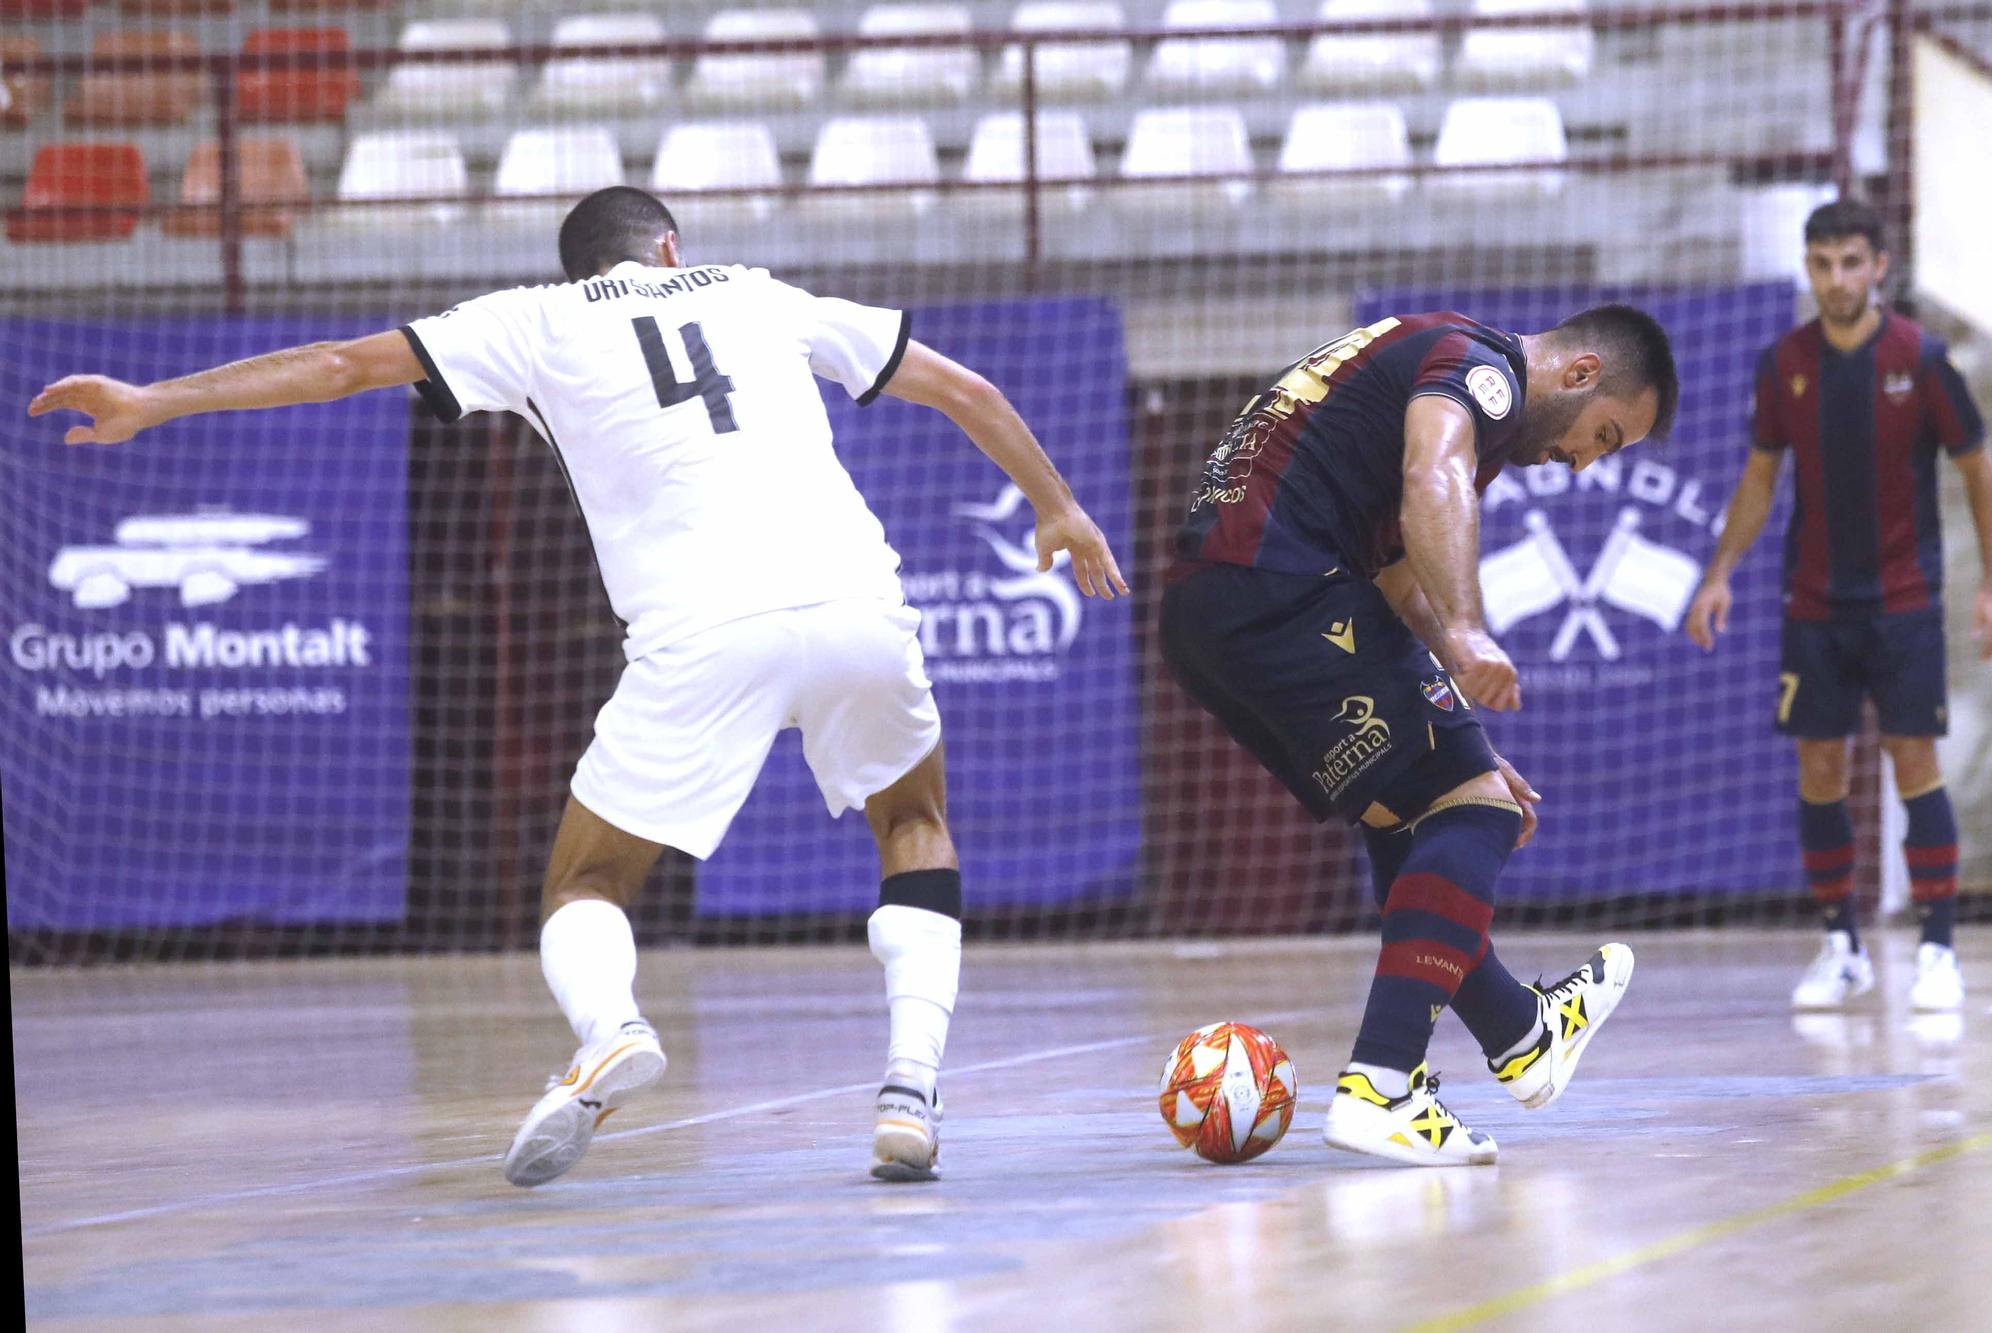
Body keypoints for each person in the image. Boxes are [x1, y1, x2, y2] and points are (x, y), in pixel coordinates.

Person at [28, 185, 1128, 1186]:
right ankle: (908, 1088)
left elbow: (333, 366)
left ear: (581, 268)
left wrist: (153, 401)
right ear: (669, 246)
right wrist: (1057, 506)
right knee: (914, 820)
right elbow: (966, 388)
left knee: (585, 881)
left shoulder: (529, 319)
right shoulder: (756, 292)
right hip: (855, 599)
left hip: (703, 627)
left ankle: (610, 1030)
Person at [1161, 306, 1678, 1164]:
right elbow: (1430, 470)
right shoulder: (1488, 375)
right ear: (1581, 375)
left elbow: (1402, 579)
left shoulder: (1436, 359)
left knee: (1426, 810)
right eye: (1606, 437)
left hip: (1212, 609)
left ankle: (1522, 1034)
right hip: (1282, 588)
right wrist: (1472, 633)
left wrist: (1464, 737)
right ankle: (1383, 1085)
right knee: (1476, 816)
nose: (1585, 464)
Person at [1685, 197, 1992, 1013]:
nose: (1836, 279)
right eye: (1822, 264)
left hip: (1904, 603)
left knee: (1914, 763)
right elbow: (1759, 479)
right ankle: (1840, 945)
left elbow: (1979, 470)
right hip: (1814, 606)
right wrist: (1719, 573)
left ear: (1879, 267)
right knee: (1820, 771)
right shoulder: (1782, 362)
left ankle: (1936, 950)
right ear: (1808, 267)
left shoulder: (1924, 361)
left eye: (1851, 262)